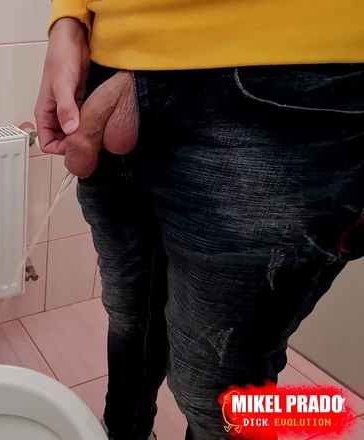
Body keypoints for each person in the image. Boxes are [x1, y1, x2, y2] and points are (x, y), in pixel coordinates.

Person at [34, 1, 364, 439]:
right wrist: (68, 22)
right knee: (131, 318)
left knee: (215, 394)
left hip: (291, 85)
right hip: (109, 72)